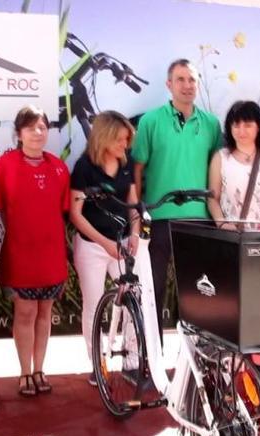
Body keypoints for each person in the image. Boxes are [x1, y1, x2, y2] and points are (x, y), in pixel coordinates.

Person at [132, 59, 222, 335]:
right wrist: (139, 211)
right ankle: (151, 364)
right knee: (154, 290)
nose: (187, 85)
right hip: (159, 219)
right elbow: (137, 169)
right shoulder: (150, 120)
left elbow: (217, 169)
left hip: (199, 221)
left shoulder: (211, 124)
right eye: (180, 79)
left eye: (192, 79)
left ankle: (195, 368)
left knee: (197, 295)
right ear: (168, 84)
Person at [70, 111, 159, 386]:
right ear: (105, 137)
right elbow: (76, 214)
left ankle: (132, 361)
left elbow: (133, 202)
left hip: (122, 242)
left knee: (134, 298)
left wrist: (133, 234)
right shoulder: (84, 166)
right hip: (92, 245)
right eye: (120, 140)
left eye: (127, 140)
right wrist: (104, 243)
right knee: (94, 304)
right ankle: (98, 364)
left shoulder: (126, 162)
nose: (125, 145)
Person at [0, 105, 70, 397]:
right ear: (19, 133)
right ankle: (24, 371)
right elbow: (0, 209)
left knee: (44, 314)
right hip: (20, 252)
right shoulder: (4, 165)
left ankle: (40, 369)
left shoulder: (59, 167)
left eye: (42, 127)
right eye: (30, 127)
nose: (37, 133)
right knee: (24, 313)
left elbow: (62, 210)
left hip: (51, 254)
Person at [207, 100, 260, 229]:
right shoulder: (220, 158)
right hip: (234, 237)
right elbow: (213, 198)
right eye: (236, 125)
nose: (241, 131)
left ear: (258, 126)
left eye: (247, 125)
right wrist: (222, 223)